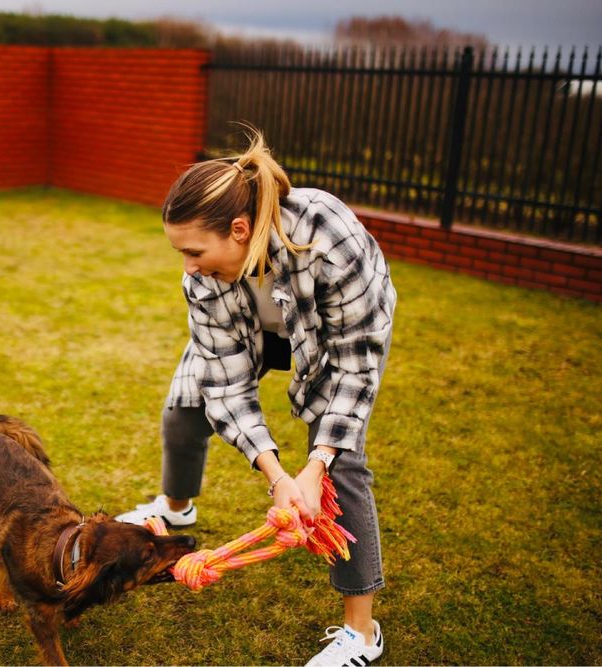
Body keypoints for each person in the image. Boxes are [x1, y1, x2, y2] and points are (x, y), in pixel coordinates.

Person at [116, 128, 396, 666]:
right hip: (253, 329)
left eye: (194, 251)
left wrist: (314, 468)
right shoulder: (202, 280)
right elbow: (224, 383)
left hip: (334, 333)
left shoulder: (326, 233)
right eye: (180, 252)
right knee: (184, 410)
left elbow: (354, 368)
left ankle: (361, 634)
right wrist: (278, 477)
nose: (188, 267)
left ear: (239, 230)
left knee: (344, 468)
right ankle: (175, 511)